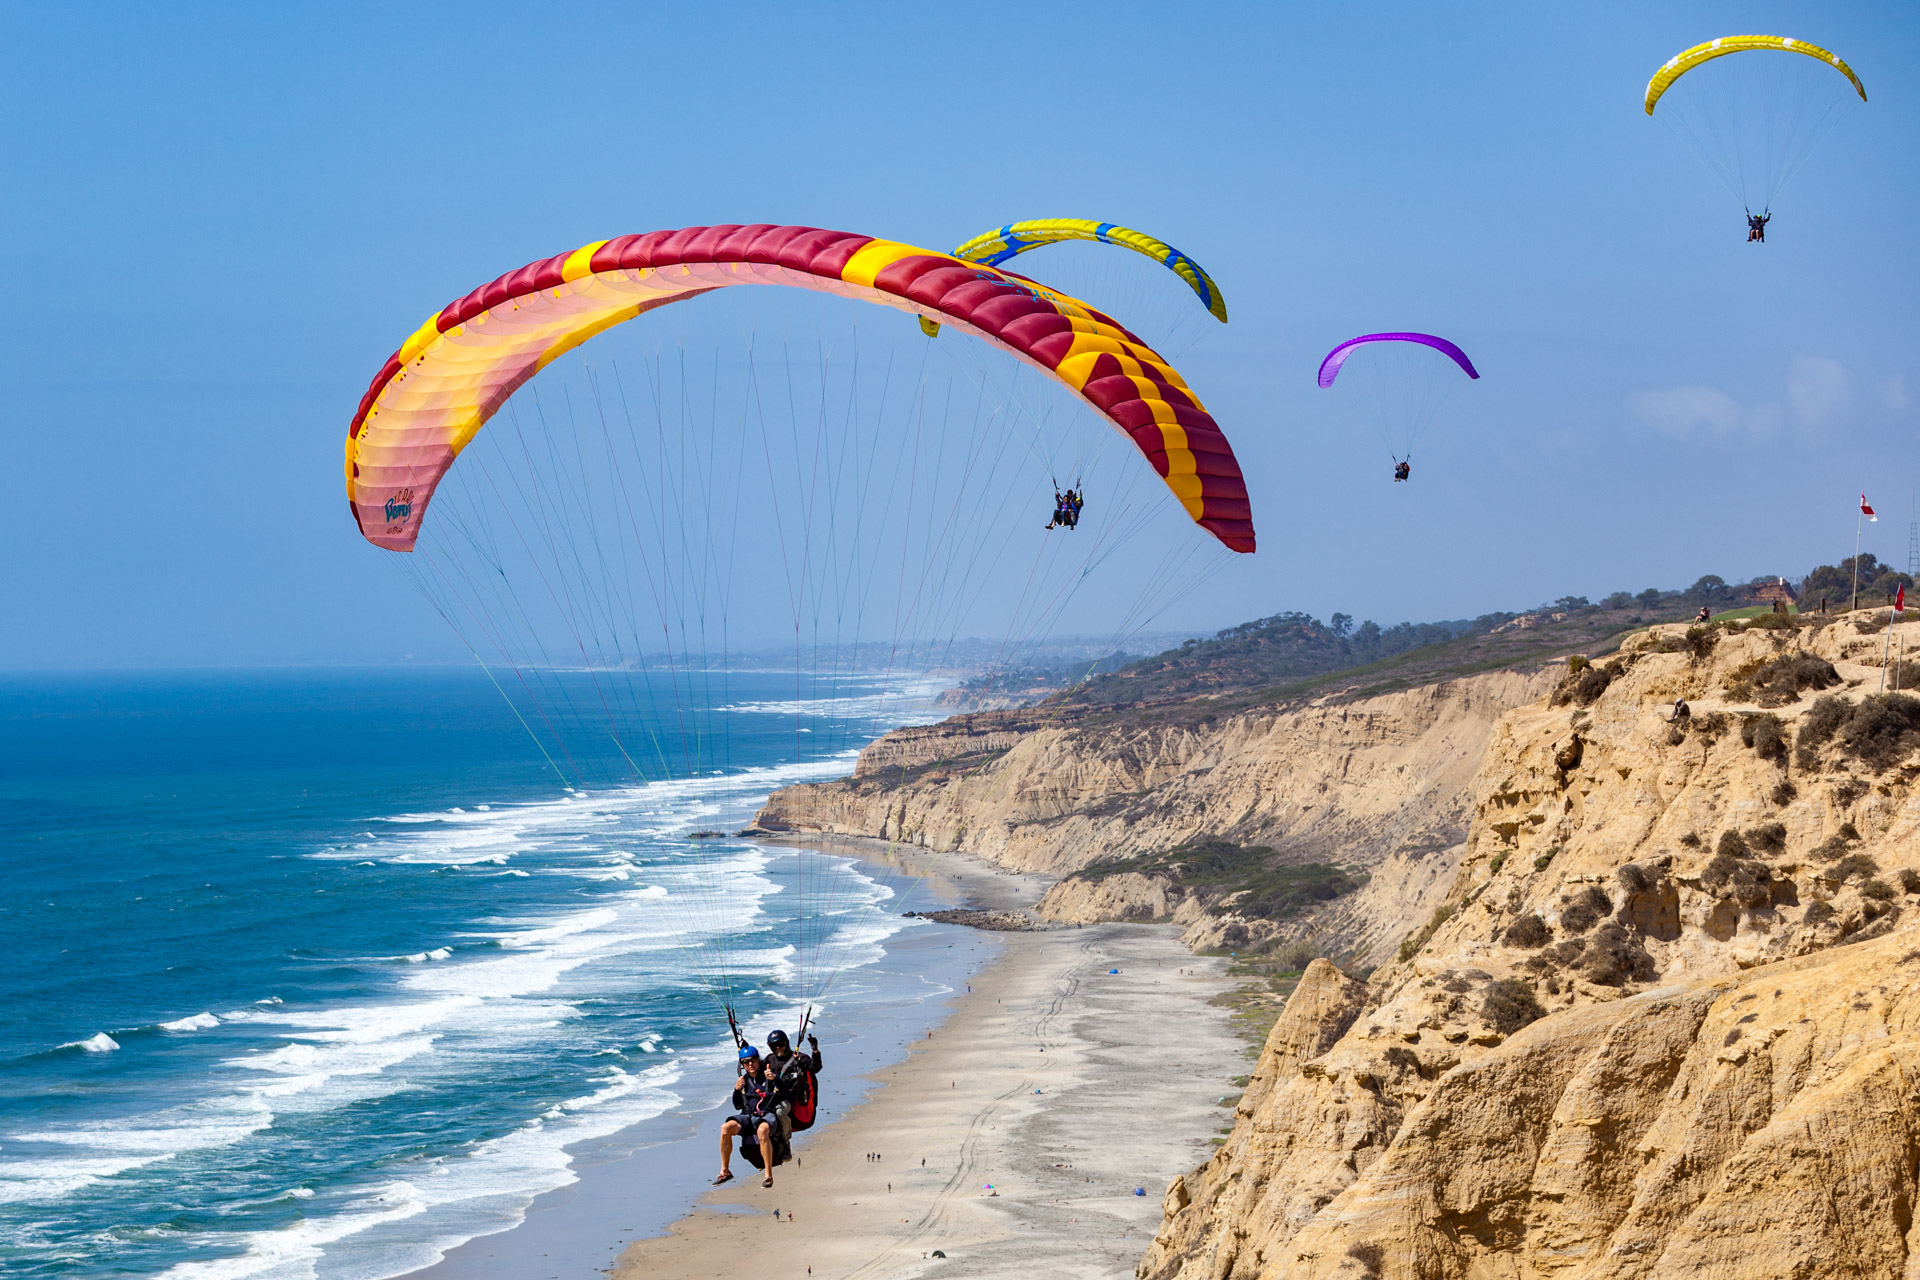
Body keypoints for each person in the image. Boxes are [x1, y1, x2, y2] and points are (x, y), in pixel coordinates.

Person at [716, 1045, 785, 1187]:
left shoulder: (768, 1077)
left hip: (767, 1115)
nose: (750, 1065)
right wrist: (736, 1090)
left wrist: (776, 1079)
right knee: (725, 1128)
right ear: (742, 1065)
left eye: (753, 1061)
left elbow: (785, 1093)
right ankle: (725, 1171)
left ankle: (768, 1175)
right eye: (746, 1062)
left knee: (762, 1131)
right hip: (748, 1116)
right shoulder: (744, 1081)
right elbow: (737, 1105)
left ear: (758, 1061)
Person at [764, 1028, 823, 1147]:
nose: (779, 1048)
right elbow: (753, 1067)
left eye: (782, 1044)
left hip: (793, 1100)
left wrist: (815, 1051)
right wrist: (745, 1050)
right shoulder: (770, 1059)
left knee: (780, 1111)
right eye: (775, 1046)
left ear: (787, 1043)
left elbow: (815, 1067)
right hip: (775, 1097)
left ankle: (785, 1142)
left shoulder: (799, 1058)